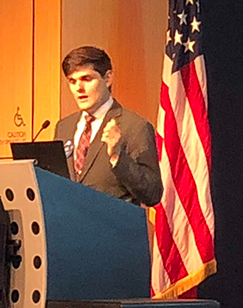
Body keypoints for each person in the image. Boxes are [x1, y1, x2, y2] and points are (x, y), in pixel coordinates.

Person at [54, 46, 163, 207]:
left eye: (87, 79)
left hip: (113, 228)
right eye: (72, 81)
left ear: (108, 78)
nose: (78, 88)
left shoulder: (134, 126)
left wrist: (117, 157)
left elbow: (152, 193)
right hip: (70, 227)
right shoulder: (64, 127)